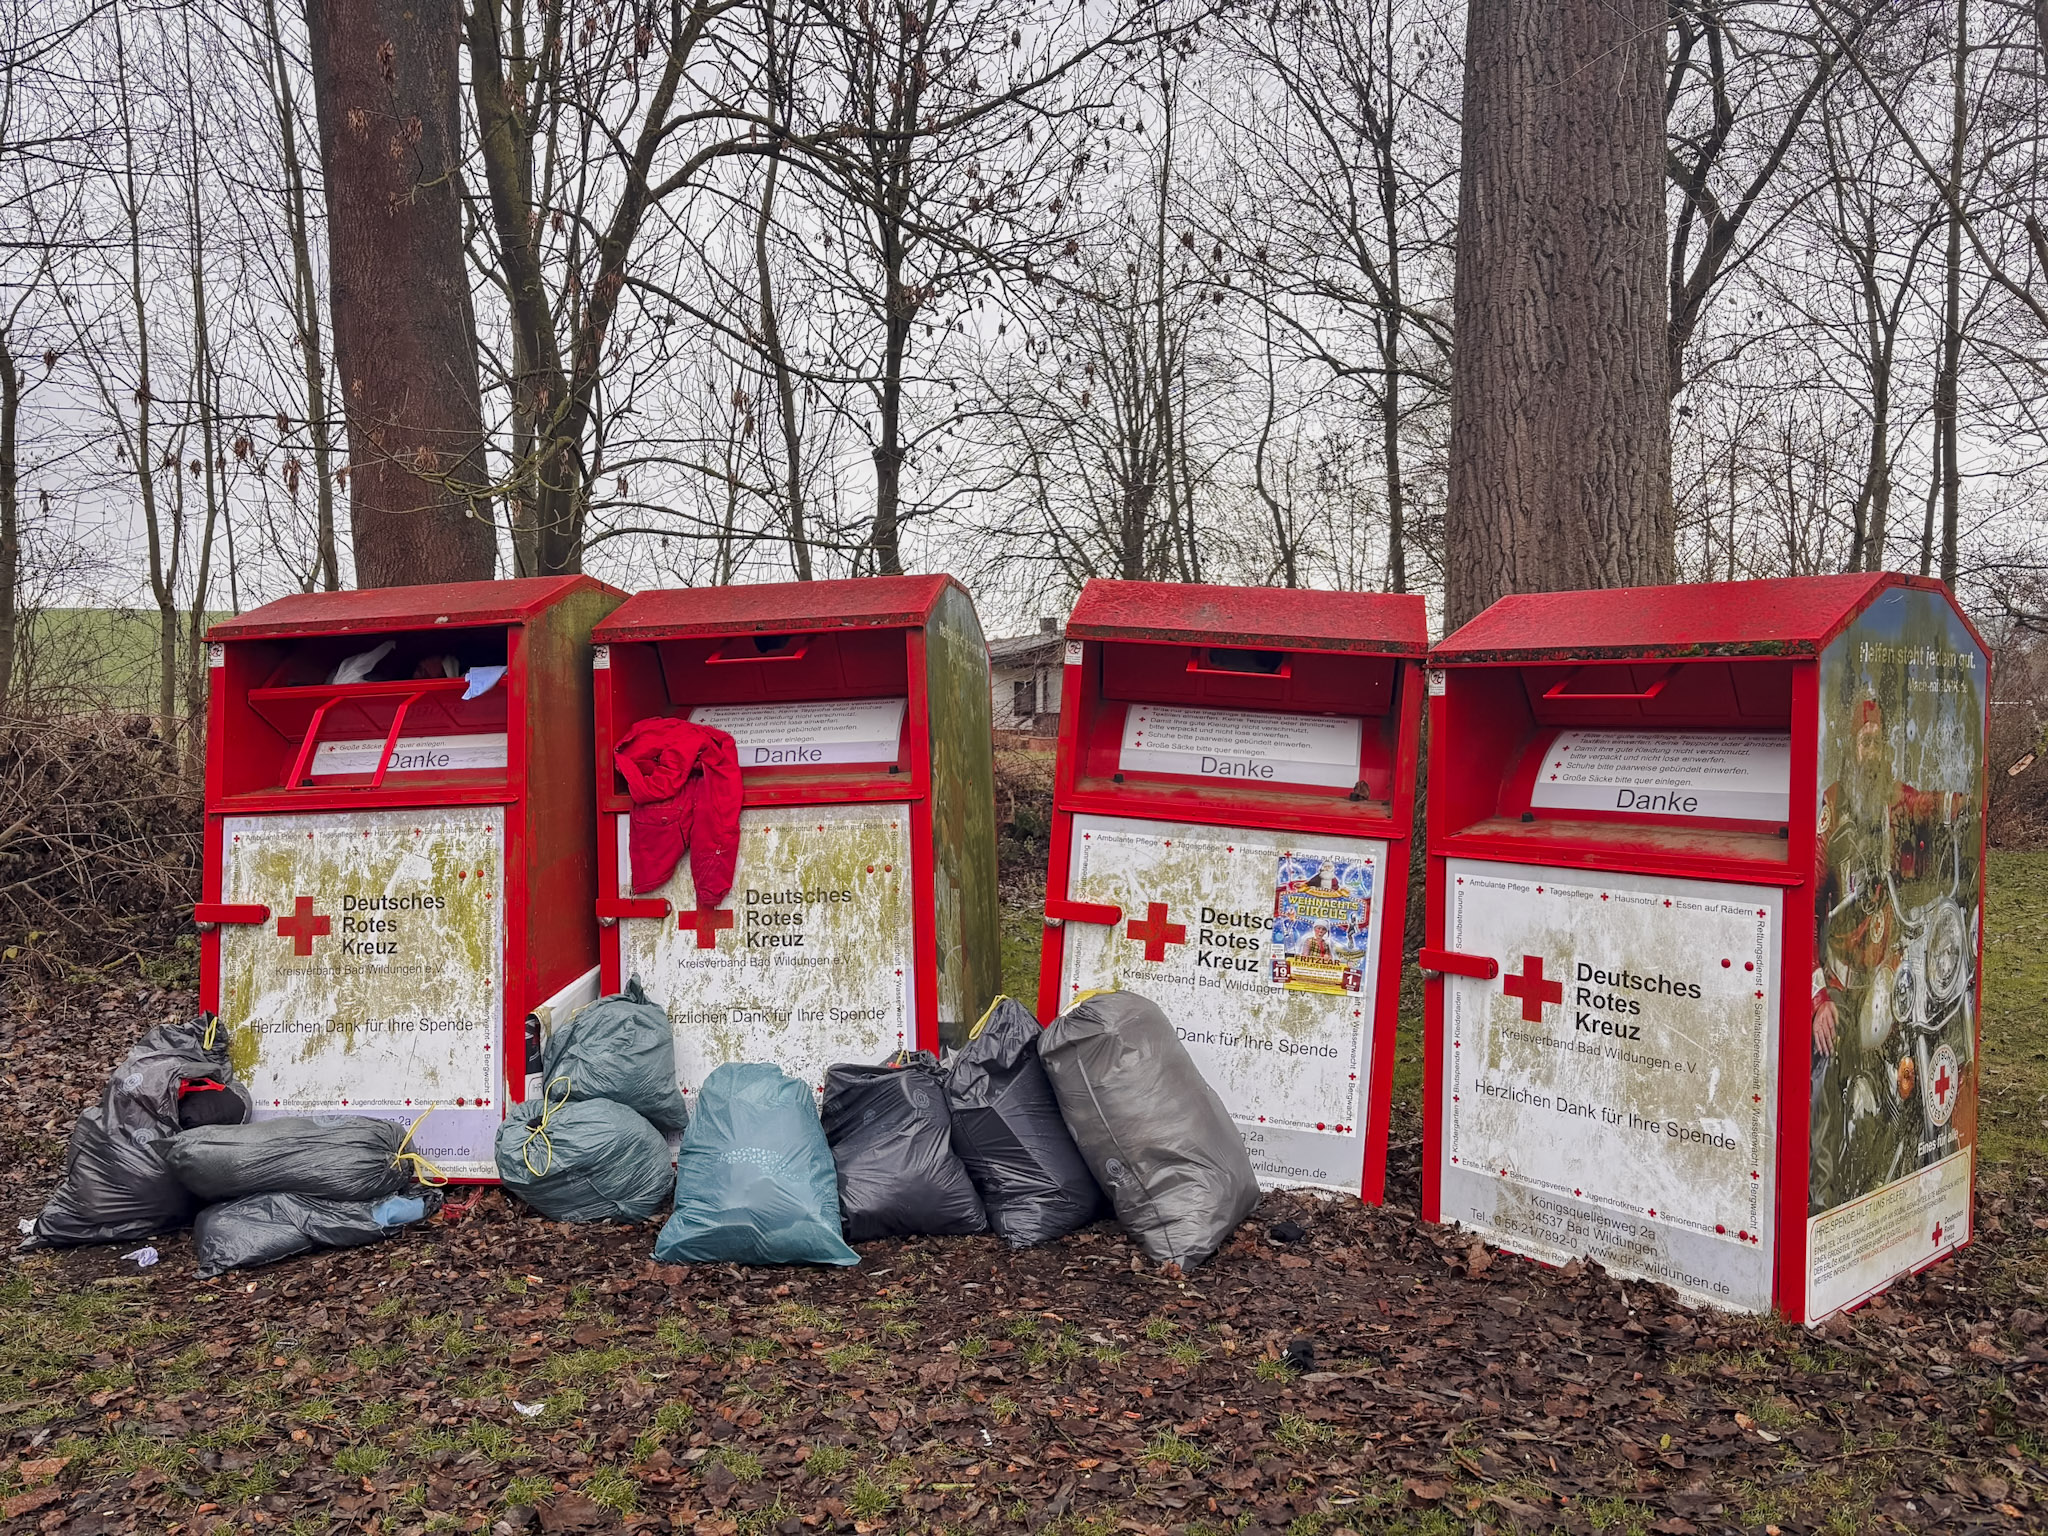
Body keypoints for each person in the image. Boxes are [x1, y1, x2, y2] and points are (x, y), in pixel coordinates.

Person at [1810, 695, 1971, 1213]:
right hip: (1838, 973)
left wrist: (1967, 805)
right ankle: (1822, 1200)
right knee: (1823, 1078)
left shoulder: (1896, 799)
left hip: (1887, 967)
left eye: (1879, 741)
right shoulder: (1830, 808)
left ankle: (1908, 1178)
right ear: (1852, 748)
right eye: (1866, 741)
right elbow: (1804, 899)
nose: (1873, 750)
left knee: (1915, 1046)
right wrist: (1817, 996)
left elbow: (1931, 806)